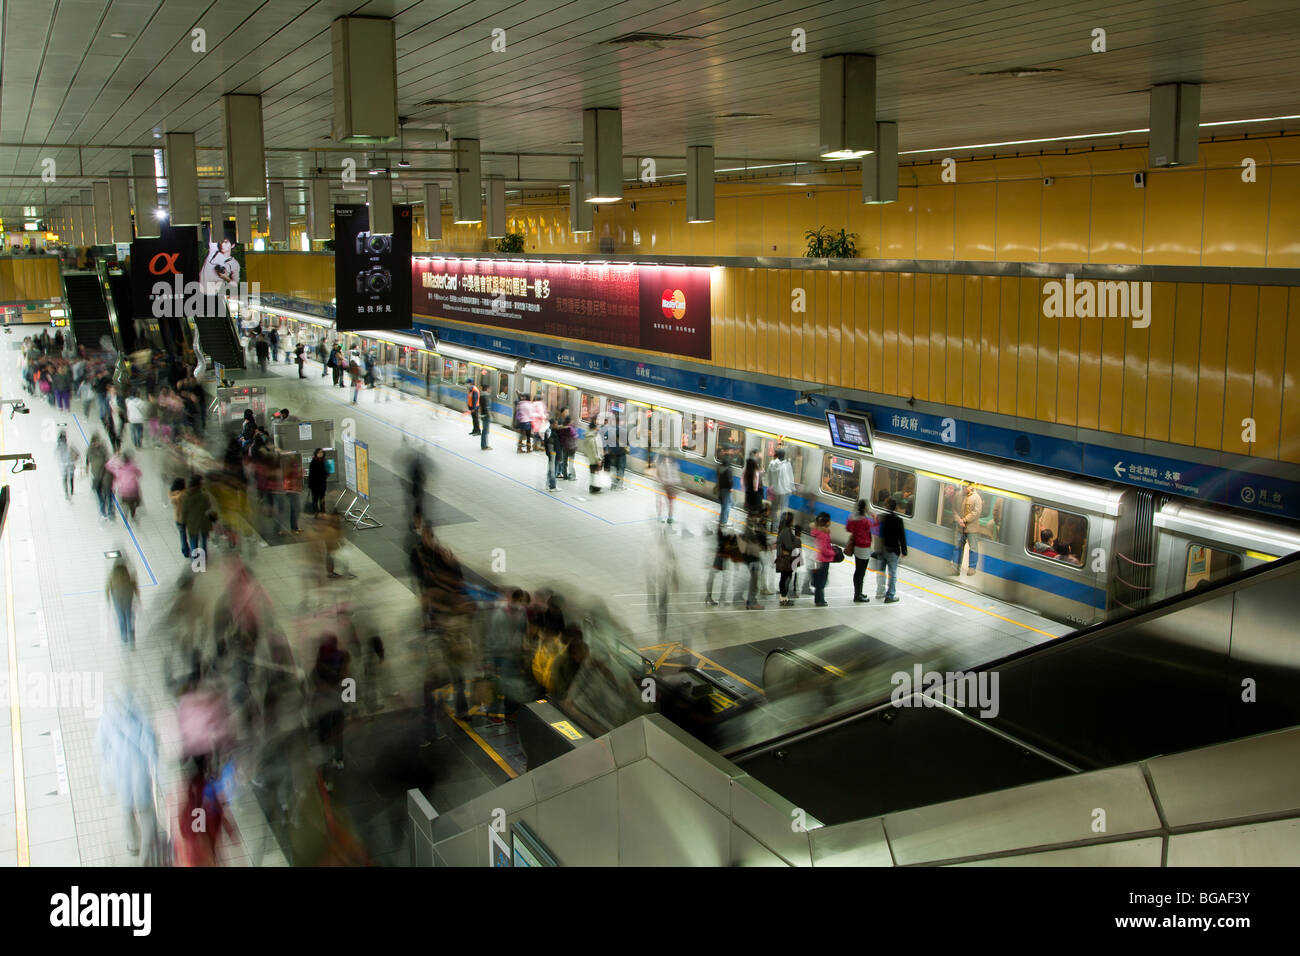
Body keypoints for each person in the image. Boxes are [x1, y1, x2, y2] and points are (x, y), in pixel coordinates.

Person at [950, 481, 984, 576]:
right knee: (958, 547)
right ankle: (955, 568)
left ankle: (972, 568)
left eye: (966, 486)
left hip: (972, 528)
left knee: (973, 548)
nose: (965, 487)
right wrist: (959, 520)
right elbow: (954, 510)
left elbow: (976, 512)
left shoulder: (976, 497)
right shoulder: (958, 496)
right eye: (963, 486)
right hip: (960, 527)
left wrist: (964, 520)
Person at [878, 497, 908, 604]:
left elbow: (880, 534)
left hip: (883, 548)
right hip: (893, 550)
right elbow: (902, 536)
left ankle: (879, 592)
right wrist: (904, 551)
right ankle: (890, 595)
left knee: (881, 571)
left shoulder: (883, 517)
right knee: (893, 573)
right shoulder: (898, 520)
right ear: (896, 507)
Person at [106, 556, 140, 648]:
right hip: (128, 598)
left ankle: (124, 635)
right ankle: (131, 633)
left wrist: (108, 600)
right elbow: (134, 585)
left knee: (121, 617)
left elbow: (107, 588)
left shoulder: (112, 575)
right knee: (129, 616)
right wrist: (138, 597)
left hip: (117, 599)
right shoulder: (128, 574)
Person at [846, 499, 875, 603]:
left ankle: (858, 592)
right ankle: (858, 595)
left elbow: (848, 529)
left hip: (857, 547)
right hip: (865, 548)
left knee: (857, 571)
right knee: (861, 573)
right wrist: (873, 516)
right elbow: (875, 528)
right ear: (865, 508)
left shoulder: (853, 517)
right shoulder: (866, 520)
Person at [182, 475, 216, 558]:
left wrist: (183, 522)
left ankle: (195, 559)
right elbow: (208, 507)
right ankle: (204, 557)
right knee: (204, 540)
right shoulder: (204, 495)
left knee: (193, 541)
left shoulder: (186, 497)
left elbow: (184, 511)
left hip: (192, 522)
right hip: (203, 521)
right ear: (199, 485)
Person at [106, 448, 143, 521]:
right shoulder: (133, 466)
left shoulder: (118, 468)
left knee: (124, 503)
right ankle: (133, 514)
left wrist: (114, 456)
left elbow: (108, 465)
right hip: (133, 489)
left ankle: (125, 516)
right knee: (134, 502)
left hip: (123, 491)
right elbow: (139, 474)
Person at [775, 512, 801, 607]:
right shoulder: (786, 531)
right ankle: (783, 598)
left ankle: (784, 597)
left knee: (785, 577)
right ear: (789, 521)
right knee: (786, 578)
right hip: (786, 559)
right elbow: (789, 546)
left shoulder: (784, 529)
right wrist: (797, 537)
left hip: (784, 558)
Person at [765, 449, 795, 530]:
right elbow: (790, 478)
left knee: (774, 509)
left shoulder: (771, 464)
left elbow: (769, 476)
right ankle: (781, 528)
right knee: (783, 509)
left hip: (774, 490)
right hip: (784, 491)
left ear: (777, 455)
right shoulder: (787, 465)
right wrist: (791, 488)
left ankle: (774, 526)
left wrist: (771, 486)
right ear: (784, 455)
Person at [809, 513, 834, 607]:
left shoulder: (817, 531)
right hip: (823, 560)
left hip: (816, 558)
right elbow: (824, 549)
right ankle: (820, 600)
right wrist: (833, 553)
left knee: (818, 580)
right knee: (821, 581)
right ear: (826, 523)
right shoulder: (824, 534)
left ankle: (818, 599)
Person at [655, 453, 680, 524]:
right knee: (663, 502)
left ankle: (669, 517)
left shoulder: (673, 465)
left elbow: (675, 476)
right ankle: (662, 517)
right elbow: (659, 476)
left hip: (669, 486)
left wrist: (673, 484)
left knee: (669, 503)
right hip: (663, 485)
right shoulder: (661, 465)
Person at [54, 427, 78, 500]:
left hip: (63, 465)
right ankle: (71, 490)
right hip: (70, 463)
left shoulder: (58, 446)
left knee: (64, 479)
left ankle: (66, 492)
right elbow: (76, 453)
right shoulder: (68, 444)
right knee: (71, 478)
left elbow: (56, 455)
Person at [582, 418, 604, 493]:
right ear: (594, 428)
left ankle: (593, 487)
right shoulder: (592, 438)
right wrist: (598, 460)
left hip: (590, 459)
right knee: (596, 474)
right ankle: (594, 488)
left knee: (592, 474)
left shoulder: (587, 436)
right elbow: (595, 451)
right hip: (594, 459)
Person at [307, 448, 329, 515]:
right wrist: (310, 485)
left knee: (322, 498)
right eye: (319, 453)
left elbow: (327, 472)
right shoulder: (313, 462)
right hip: (315, 484)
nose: (320, 454)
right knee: (315, 499)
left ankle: (322, 511)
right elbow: (311, 474)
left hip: (322, 484)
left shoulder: (325, 462)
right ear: (316, 454)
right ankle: (315, 511)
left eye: (321, 453)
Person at [742, 450, 763, 515]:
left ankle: (749, 521)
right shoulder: (755, 472)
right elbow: (756, 484)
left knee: (750, 509)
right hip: (755, 493)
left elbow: (743, 480)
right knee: (754, 509)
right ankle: (752, 521)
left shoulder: (747, 471)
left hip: (748, 491)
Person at [716, 461, 734, 528]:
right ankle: (723, 522)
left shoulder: (720, 468)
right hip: (726, 490)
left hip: (721, 489)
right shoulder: (728, 470)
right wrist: (731, 487)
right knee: (726, 506)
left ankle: (722, 520)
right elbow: (730, 480)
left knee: (724, 506)